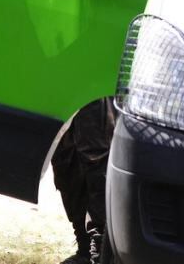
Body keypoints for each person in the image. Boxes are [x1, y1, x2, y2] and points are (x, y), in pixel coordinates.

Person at [53, 100, 115, 264]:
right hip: (63, 88)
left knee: (97, 163)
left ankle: (102, 251)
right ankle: (85, 250)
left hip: (95, 88)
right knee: (65, 163)